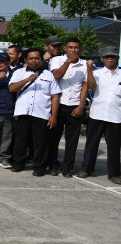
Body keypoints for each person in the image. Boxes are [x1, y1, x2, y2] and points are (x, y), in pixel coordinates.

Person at [9, 48, 61, 176]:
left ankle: (39, 167)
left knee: (40, 143)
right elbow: (12, 88)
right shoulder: (19, 72)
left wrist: (54, 116)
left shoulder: (49, 75)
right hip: (22, 112)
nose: (34, 61)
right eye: (31, 58)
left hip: (41, 113)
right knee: (20, 141)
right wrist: (27, 80)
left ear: (42, 60)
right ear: (26, 60)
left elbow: (55, 96)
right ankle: (18, 164)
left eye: (37, 58)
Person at [76, 47, 120, 183]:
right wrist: (89, 69)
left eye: (112, 56)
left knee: (114, 146)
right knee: (91, 143)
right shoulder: (98, 73)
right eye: (107, 57)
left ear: (117, 58)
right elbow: (92, 85)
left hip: (116, 115)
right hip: (97, 113)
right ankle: (87, 169)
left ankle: (114, 173)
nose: (110, 59)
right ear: (102, 59)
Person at [46, 37, 88, 177]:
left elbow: (85, 86)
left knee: (72, 140)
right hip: (58, 104)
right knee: (53, 137)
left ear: (80, 49)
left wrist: (81, 106)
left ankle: (67, 167)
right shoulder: (56, 60)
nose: (73, 50)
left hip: (75, 105)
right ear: (65, 48)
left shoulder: (84, 64)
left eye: (76, 47)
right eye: (70, 47)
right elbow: (56, 76)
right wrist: (68, 62)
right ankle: (52, 165)